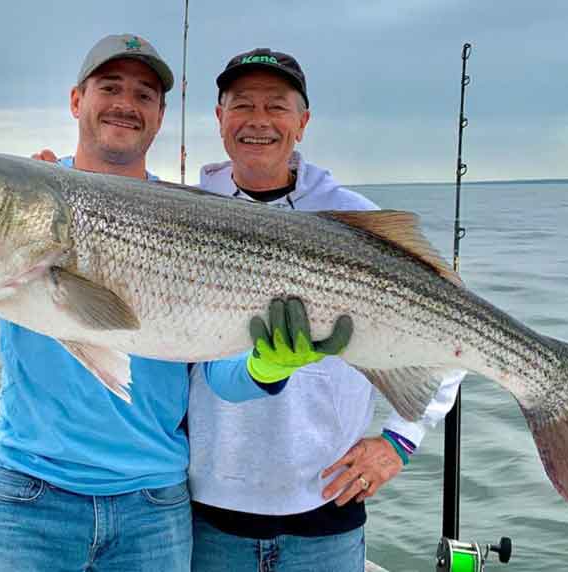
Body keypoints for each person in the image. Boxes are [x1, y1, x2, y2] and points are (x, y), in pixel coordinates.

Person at [0, 35, 350, 572]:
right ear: (76, 100)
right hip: (30, 494)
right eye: (110, 87)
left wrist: (264, 366)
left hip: (155, 504)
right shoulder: (24, 198)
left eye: (144, 95)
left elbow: (217, 374)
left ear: (159, 117)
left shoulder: (192, 215)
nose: (125, 104)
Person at [187, 48, 464, 572]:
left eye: (277, 106)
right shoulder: (188, 210)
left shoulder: (357, 218)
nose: (259, 121)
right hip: (209, 512)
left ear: (303, 121)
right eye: (241, 104)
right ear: (219, 118)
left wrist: (400, 441)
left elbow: (455, 329)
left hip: (328, 508)